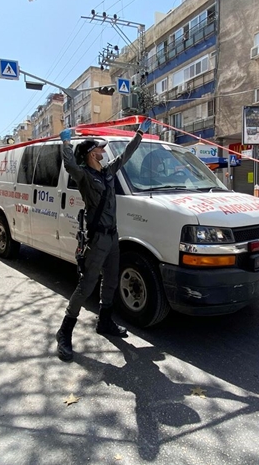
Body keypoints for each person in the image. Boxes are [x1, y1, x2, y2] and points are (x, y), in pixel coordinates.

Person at [55, 118, 151, 362]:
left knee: (110, 280)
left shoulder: (108, 173)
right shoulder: (84, 176)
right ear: (90, 154)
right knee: (86, 284)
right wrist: (65, 142)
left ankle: (105, 321)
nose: (103, 151)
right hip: (96, 239)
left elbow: (126, 155)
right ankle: (64, 332)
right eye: (98, 149)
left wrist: (139, 134)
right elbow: (68, 164)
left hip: (113, 236)